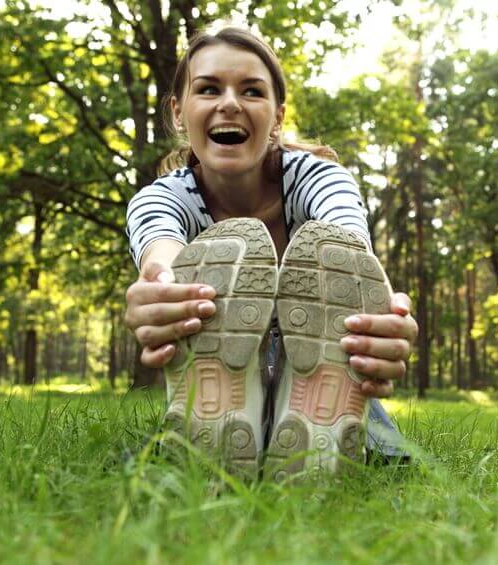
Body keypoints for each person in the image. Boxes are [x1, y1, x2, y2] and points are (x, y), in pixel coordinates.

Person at [124, 27, 417, 478]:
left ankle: (315, 430)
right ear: (179, 113)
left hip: (316, 363)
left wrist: (379, 318)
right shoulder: (162, 197)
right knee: (176, 438)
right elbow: (160, 253)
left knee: (376, 443)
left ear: (277, 116)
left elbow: (345, 243)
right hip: (220, 365)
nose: (230, 103)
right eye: (208, 89)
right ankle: (234, 429)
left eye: (251, 91)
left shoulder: (318, 179)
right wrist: (162, 294)